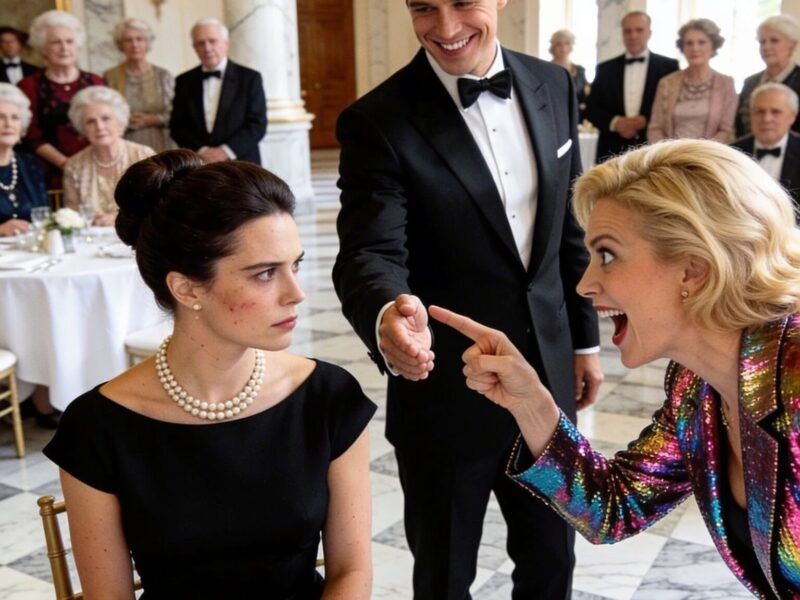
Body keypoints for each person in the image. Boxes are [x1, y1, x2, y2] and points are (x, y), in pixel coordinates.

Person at [430, 139, 800, 599]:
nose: (584, 284)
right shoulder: (694, 387)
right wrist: (532, 404)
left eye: (606, 255)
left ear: (693, 267)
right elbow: (614, 509)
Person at [333, 1, 603, 597]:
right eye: (424, 8)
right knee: (445, 574)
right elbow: (369, 252)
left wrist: (583, 342)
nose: (446, 28)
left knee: (552, 563)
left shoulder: (553, 83)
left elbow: (570, 228)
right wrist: (387, 314)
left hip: (547, 376)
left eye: (463, 2)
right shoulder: (377, 119)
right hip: (445, 391)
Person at [43, 149, 375, 599]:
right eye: (265, 274)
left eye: (294, 265)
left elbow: (352, 571)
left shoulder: (327, 397)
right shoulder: (98, 427)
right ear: (186, 288)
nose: (296, 293)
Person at [18, 10, 103, 189]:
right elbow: (30, 134)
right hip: (48, 174)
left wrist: (87, 164)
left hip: (95, 168)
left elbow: (108, 125)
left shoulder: (96, 81)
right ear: (43, 48)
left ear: (77, 45)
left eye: (69, 41)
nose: (64, 48)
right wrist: (67, 164)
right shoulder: (28, 86)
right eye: (56, 42)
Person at [169, 18, 266, 165]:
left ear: (226, 43)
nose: (207, 48)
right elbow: (177, 125)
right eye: (201, 43)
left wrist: (225, 151)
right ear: (194, 47)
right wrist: (202, 151)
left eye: (212, 41)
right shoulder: (183, 81)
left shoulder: (250, 78)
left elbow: (257, 124)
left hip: (242, 164)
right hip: (199, 164)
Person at [586, 11, 679, 163]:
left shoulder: (669, 67)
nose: (633, 36)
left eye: (639, 30)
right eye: (627, 31)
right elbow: (591, 109)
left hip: (654, 150)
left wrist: (645, 120)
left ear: (649, 33)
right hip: (611, 151)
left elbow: (673, 108)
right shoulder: (605, 68)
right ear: (622, 34)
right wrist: (616, 123)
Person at [62, 86, 154, 226]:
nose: (99, 127)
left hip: (138, 235)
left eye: (106, 118)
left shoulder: (143, 155)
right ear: (82, 128)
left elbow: (155, 206)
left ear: (119, 121)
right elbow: (72, 216)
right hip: (92, 237)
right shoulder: (74, 165)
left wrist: (118, 218)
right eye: (91, 121)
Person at [647, 19, 736, 143]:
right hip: (671, 153)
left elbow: (726, 130)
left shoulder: (726, 84)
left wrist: (701, 152)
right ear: (682, 48)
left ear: (713, 46)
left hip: (710, 153)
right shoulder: (667, 83)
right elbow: (655, 128)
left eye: (701, 42)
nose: (695, 48)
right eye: (689, 43)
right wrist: (668, 152)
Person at [104, 18, 176, 153]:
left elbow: (177, 114)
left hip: (162, 144)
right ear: (120, 45)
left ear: (147, 43)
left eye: (139, 39)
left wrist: (154, 120)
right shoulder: (110, 76)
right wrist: (127, 121)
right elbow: (105, 114)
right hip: (124, 147)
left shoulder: (163, 75)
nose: (134, 45)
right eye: (128, 40)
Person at [732, 82, 800, 210]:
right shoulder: (732, 152)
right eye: (759, 111)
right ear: (750, 115)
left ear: (792, 117)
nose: (766, 119)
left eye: (776, 112)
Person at [736, 14, 800, 138]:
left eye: (774, 40)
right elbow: (740, 127)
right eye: (762, 42)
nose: (766, 47)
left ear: (792, 45)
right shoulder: (750, 83)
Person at [0, 83, 47, 237]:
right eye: (0, 117)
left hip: (30, 247)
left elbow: (43, 215)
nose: (9, 124)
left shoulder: (31, 164)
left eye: (15, 118)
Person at [549, 29, 590, 121]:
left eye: (567, 43)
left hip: (576, 118)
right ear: (553, 47)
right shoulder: (546, 69)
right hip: (553, 117)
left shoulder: (580, 70)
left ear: (571, 46)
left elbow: (584, 98)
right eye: (559, 44)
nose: (563, 48)